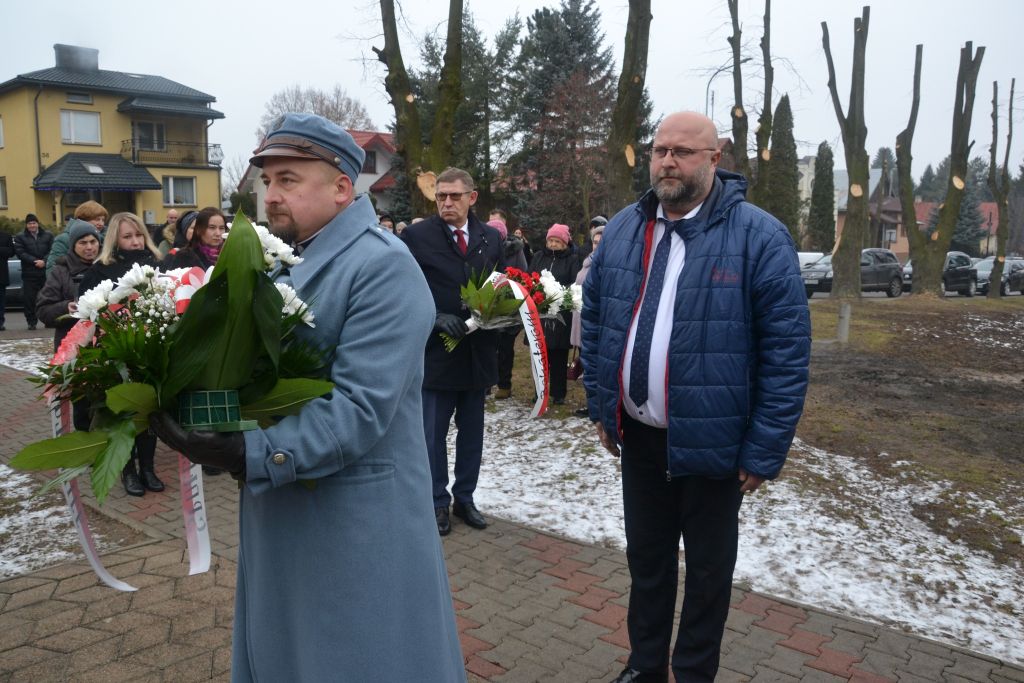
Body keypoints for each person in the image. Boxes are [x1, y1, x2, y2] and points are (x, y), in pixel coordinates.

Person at [148, 113, 464, 681]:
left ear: (343, 187)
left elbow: (359, 409)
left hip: (354, 522)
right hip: (289, 510)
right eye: (267, 181)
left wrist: (250, 453)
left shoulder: (382, 268)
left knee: (359, 659)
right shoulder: (285, 260)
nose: (271, 196)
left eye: (289, 180)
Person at [580, 111, 811, 683]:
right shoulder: (627, 229)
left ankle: (693, 673)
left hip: (715, 448)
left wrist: (764, 449)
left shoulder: (758, 236)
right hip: (639, 441)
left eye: (683, 151)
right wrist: (602, 406)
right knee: (647, 564)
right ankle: (645, 665)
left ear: (715, 158)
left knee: (708, 575)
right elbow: (598, 321)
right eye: (660, 150)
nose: (667, 161)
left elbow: (786, 352)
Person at [401, 167, 504, 536]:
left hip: (477, 354)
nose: (446, 202)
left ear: (471, 198)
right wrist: (435, 317)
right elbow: (402, 289)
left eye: (454, 196)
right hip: (436, 354)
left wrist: (502, 313)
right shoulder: (416, 236)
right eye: (441, 196)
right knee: (433, 434)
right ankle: (436, 502)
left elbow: (501, 284)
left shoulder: (490, 237)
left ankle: (465, 498)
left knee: (471, 434)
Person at [77, 212, 165, 496]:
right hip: (114, 355)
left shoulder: (156, 266)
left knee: (148, 413)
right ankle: (128, 471)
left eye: (139, 235)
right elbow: (87, 315)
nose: (136, 241)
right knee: (123, 415)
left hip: (149, 350)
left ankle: (148, 469)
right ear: (115, 239)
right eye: (128, 236)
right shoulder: (98, 271)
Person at [528, 223, 579, 405]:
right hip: (539, 313)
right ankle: (539, 391)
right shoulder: (539, 256)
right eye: (551, 240)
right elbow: (530, 277)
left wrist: (556, 293)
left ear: (565, 243)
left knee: (558, 357)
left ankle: (558, 393)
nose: (553, 244)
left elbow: (574, 284)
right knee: (539, 355)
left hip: (560, 315)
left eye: (557, 241)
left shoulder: (572, 259)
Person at [37, 220, 101, 351]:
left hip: (104, 344)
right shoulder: (61, 271)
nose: (89, 247)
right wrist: (66, 308)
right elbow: (43, 311)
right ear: (73, 246)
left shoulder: (107, 267)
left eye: (93, 242)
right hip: (71, 347)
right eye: (83, 243)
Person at [488, 218, 527, 400]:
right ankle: (486, 383)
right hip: (487, 304)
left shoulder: (515, 250)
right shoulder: (482, 248)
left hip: (508, 303)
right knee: (487, 347)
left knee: (505, 348)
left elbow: (522, 275)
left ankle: (504, 385)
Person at [570, 222, 604, 417]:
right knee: (587, 365)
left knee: (597, 367)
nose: (597, 245)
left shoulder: (607, 263)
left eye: (601, 242)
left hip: (597, 322)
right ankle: (590, 403)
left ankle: (598, 406)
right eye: (595, 242)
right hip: (582, 319)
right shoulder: (587, 261)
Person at [13, 214, 54, 330]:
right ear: (26, 225)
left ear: (38, 223)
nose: (32, 225)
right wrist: (35, 261)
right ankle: (31, 322)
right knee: (29, 299)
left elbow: (53, 250)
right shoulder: (20, 237)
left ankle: (48, 320)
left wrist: (44, 261)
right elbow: (20, 252)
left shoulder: (48, 235)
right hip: (29, 273)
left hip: (45, 272)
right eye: (30, 223)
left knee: (48, 298)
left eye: (34, 223)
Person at [46, 201, 108, 272]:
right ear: (83, 219)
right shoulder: (64, 239)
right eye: (97, 219)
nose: (101, 224)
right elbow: (52, 269)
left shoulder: (107, 239)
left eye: (103, 220)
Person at [0, 230, 13, 331]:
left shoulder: (6, 236)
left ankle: (0, 323)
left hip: (1, 275)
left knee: (1, 301)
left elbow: (11, 252)